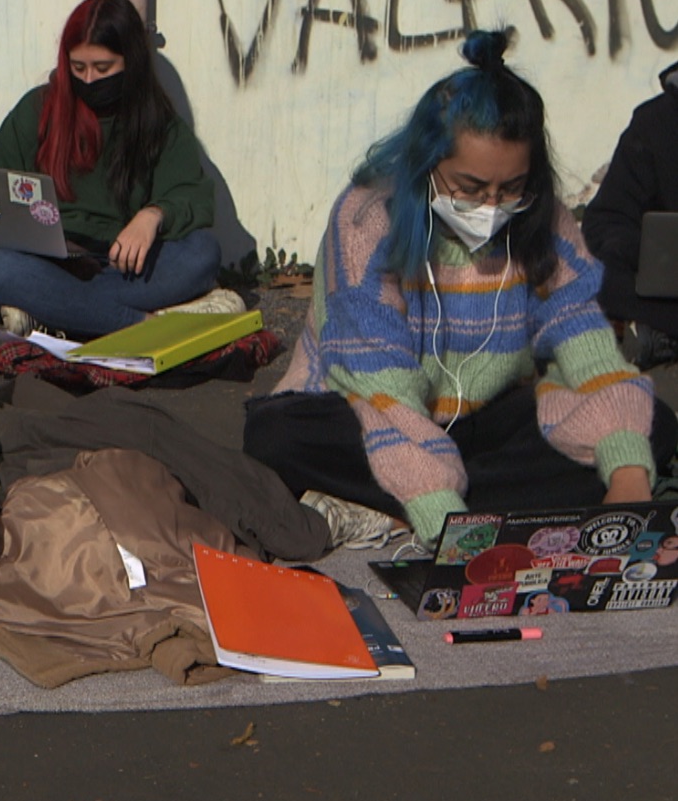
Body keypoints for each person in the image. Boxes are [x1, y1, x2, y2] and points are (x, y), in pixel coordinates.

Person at [243, 32, 677, 548]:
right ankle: (453, 501)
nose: (491, 205)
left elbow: (585, 342)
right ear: (428, 163)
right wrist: (445, 523)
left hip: (480, 419)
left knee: (650, 428)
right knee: (276, 436)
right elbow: (381, 386)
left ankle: (390, 501)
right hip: (366, 408)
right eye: (469, 188)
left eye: (510, 188)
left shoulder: (544, 220)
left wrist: (627, 472)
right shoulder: (365, 217)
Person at [0, 0, 234, 338]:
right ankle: (140, 324)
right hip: (53, 268)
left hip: (126, 269)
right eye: (79, 68)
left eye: (103, 68)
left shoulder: (157, 122)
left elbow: (193, 196)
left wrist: (152, 215)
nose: (90, 80)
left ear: (131, 61)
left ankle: (55, 313)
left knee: (202, 254)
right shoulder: (38, 110)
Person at [583, 61, 678, 369]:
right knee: (598, 273)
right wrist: (654, 254)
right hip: (668, 303)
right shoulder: (656, 123)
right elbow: (605, 224)